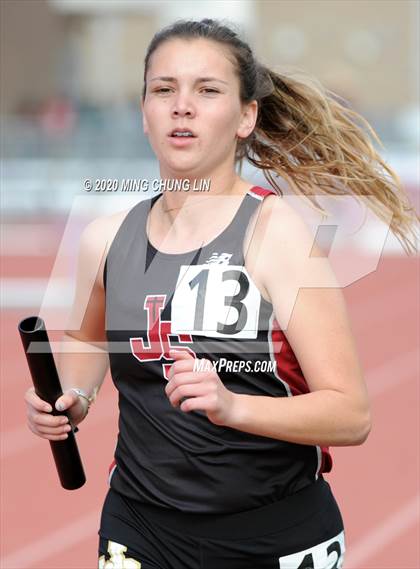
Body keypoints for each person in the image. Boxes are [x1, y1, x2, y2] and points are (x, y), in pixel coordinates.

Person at [25, 18, 418, 569]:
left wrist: (233, 406)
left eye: (207, 90)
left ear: (246, 116)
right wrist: (73, 401)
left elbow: (351, 415)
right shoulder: (104, 238)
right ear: (144, 113)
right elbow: (88, 341)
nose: (182, 106)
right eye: (164, 89)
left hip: (271, 534)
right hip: (139, 528)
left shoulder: (277, 234)